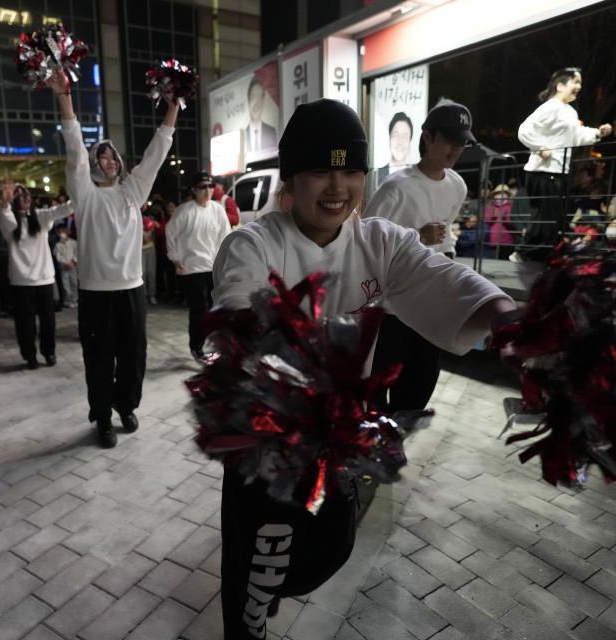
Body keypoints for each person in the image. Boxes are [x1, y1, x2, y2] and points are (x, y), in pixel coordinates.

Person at [210, 98, 515, 640]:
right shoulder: (252, 243)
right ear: (292, 177)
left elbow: (448, 281)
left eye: (350, 170)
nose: (337, 186)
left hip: (339, 436)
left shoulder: (380, 241)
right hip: (269, 437)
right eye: (320, 170)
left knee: (334, 545)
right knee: (258, 571)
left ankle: (275, 581)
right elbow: (239, 306)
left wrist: (514, 321)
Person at [49, 70, 180, 448]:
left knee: (134, 356)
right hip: (95, 291)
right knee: (100, 359)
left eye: (112, 156)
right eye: (101, 155)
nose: (108, 160)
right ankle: (102, 417)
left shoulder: (132, 192)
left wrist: (172, 109)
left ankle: (126, 405)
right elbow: (74, 149)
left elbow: (156, 153)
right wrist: (65, 98)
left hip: (131, 289)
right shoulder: (85, 195)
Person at [363, 100, 475, 414]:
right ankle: (372, 436)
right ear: (428, 137)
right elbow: (367, 241)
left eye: (462, 142)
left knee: (422, 377)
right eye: (451, 140)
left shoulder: (457, 186)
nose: (457, 148)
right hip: (394, 307)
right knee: (381, 377)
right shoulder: (396, 188)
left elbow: (446, 238)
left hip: (433, 302)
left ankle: (396, 433)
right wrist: (417, 235)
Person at [511, 67, 612, 262]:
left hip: (558, 171)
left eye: (580, 83)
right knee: (546, 219)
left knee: (552, 220)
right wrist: (541, 148)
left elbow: (577, 135)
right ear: (560, 85)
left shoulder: (569, 112)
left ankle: (535, 257)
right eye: (575, 82)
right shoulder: (552, 106)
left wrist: (598, 133)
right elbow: (524, 130)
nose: (579, 86)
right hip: (543, 170)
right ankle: (523, 254)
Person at [0, 183, 71, 369]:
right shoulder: (9, 221)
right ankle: (30, 356)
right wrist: (4, 203)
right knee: (24, 323)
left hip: (44, 279)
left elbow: (63, 209)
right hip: (21, 281)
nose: (25, 198)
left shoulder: (41, 217)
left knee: (48, 321)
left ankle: (49, 352)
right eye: (19, 195)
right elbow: (5, 215)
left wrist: (80, 190)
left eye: (26, 194)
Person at [166, 171, 232, 361]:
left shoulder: (218, 210)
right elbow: (171, 233)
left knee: (216, 308)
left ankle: (217, 346)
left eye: (210, 186)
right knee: (199, 310)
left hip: (213, 267)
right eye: (203, 187)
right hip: (192, 268)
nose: (207, 190)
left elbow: (225, 236)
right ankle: (197, 348)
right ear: (194, 190)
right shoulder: (184, 211)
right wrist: (175, 258)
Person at [376, 111, 414, 183]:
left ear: (410, 141)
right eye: (396, 135)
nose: (400, 142)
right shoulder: (376, 175)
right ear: (389, 139)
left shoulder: (416, 178)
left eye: (404, 136)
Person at [244, 76, 277, 154]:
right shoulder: (242, 137)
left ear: (263, 101)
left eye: (260, 98)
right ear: (248, 101)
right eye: (253, 97)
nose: (257, 103)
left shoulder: (271, 132)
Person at [484, 183, 516, 259]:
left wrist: (505, 219)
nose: (500, 195)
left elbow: (514, 225)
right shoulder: (491, 207)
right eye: (498, 193)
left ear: (507, 195)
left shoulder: (511, 207)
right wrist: (493, 217)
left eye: (503, 193)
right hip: (492, 241)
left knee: (503, 264)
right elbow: (485, 221)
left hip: (506, 242)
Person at [53, 222, 78, 308]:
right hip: (63, 267)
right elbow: (58, 256)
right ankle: (67, 301)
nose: (62, 233)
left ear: (68, 231)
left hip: (73, 266)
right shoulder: (57, 245)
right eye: (60, 232)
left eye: (64, 231)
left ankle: (75, 300)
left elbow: (77, 253)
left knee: (74, 283)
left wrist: (73, 262)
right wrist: (65, 263)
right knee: (65, 285)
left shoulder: (74, 243)